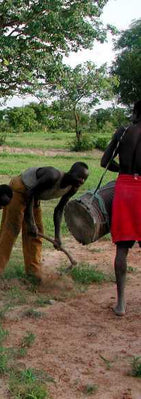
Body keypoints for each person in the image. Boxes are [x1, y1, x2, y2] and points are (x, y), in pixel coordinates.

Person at [0, 162, 89, 282]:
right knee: (12, 230)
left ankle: (33, 272)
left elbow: (59, 210)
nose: (82, 181)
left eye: (84, 179)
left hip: (33, 196)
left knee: (36, 233)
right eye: (80, 177)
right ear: (71, 172)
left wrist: (57, 237)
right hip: (20, 189)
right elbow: (29, 193)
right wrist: (30, 222)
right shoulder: (53, 176)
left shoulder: (73, 187)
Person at [100, 100, 141, 316]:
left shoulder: (123, 132)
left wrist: (124, 170)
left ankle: (121, 304)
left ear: (136, 112)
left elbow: (105, 161)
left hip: (124, 189)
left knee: (122, 249)